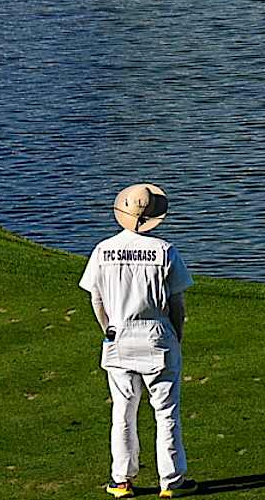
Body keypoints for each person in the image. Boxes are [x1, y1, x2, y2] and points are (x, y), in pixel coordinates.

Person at [80, 183, 198, 498]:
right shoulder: (165, 251)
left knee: (123, 410)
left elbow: (96, 299)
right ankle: (171, 481)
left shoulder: (102, 249)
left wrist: (108, 327)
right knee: (166, 411)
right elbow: (178, 305)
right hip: (157, 336)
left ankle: (121, 480)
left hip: (118, 336)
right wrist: (176, 336)